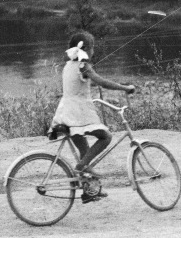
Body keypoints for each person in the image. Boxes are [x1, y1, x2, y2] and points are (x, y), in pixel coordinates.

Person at [49, 31, 135, 202]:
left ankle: (90, 191)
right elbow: (101, 81)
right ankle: (81, 167)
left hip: (65, 111)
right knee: (105, 137)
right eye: (93, 47)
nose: (94, 51)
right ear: (86, 49)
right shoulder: (83, 66)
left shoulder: (68, 66)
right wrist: (124, 88)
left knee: (85, 151)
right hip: (78, 112)